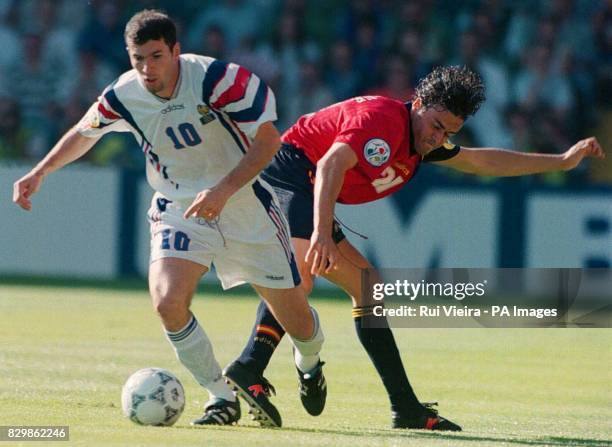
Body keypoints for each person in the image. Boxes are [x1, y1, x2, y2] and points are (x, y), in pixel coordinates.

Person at [225, 66, 605, 431]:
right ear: (418, 101)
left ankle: (404, 407)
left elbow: (482, 160)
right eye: (437, 126)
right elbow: (329, 165)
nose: (438, 138)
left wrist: (561, 160)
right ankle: (249, 367)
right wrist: (322, 232)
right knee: (301, 275)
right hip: (285, 175)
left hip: (303, 186)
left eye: (449, 131)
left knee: (368, 289)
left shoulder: (423, 139)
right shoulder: (381, 119)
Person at [12, 10, 325, 428]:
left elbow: (269, 141)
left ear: (177, 51)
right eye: (137, 58)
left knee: (300, 323)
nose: (146, 68)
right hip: (178, 207)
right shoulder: (123, 95)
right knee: (167, 301)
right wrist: (40, 172)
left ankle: (309, 363)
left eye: (156, 56)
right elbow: (85, 132)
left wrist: (222, 191)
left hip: (245, 204)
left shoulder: (219, 80)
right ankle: (220, 396)